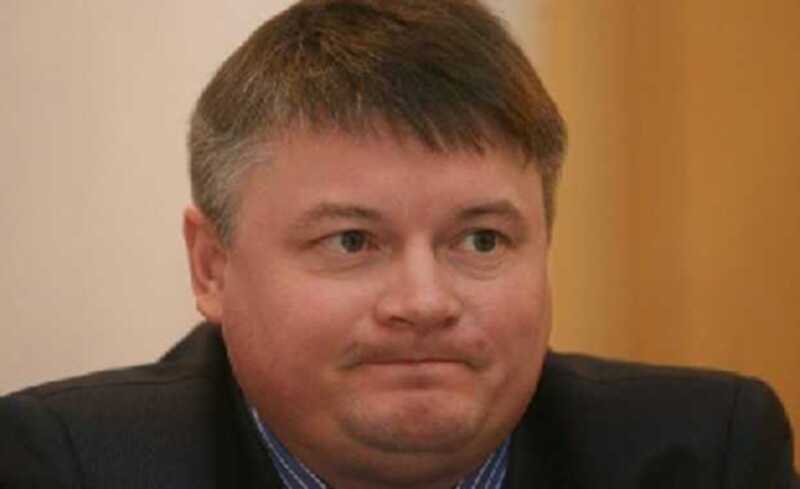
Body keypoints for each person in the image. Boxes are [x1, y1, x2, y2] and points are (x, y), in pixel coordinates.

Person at [1, 0, 797, 487]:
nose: (424, 301)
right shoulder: (70, 465)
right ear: (212, 266)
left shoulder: (706, 457)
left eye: (481, 239)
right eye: (352, 240)